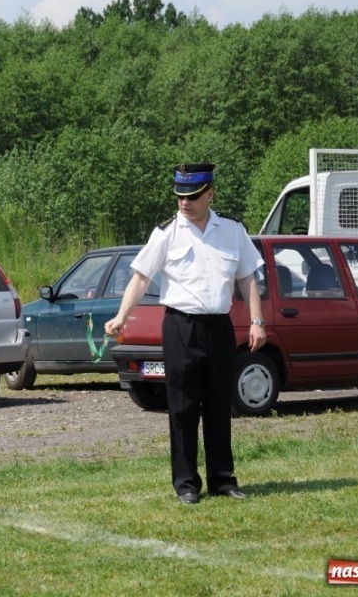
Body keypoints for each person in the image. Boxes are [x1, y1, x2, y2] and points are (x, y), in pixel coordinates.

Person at [105, 164, 266, 505]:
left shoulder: (233, 230)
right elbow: (141, 278)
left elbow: (248, 277)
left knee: (221, 405)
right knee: (182, 407)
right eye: (179, 197)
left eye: (192, 197)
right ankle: (186, 484)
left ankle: (223, 480)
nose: (184, 203)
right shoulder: (166, 233)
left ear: (210, 194)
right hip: (180, 326)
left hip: (219, 327)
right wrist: (121, 317)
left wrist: (257, 321)